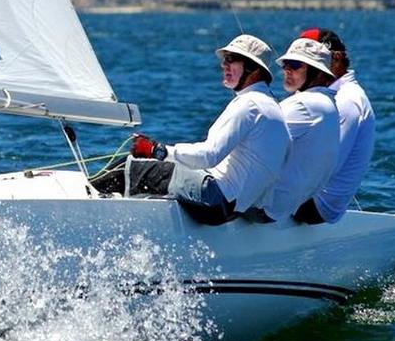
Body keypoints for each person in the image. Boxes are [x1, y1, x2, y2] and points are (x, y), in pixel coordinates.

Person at [94, 34, 290, 226]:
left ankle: (90, 197)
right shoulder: (273, 107)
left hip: (215, 200)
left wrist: (157, 150)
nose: (223, 65)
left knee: (133, 164)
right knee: (158, 169)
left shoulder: (249, 105)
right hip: (234, 209)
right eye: (224, 60)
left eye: (231, 60)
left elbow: (209, 155)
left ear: (253, 69)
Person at [292, 28, 376, 224]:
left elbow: (328, 167)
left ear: (336, 59)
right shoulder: (325, 95)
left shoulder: (347, 100)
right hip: (308, 195)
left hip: (317, 207)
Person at [256, 37, 339, 222]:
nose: (286, 70)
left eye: (294, 65)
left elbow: (250, 143)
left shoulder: (304, 104)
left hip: (265, 208)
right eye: (285, 64)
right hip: (288, 207)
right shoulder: (328, 104)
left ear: (317, 73)